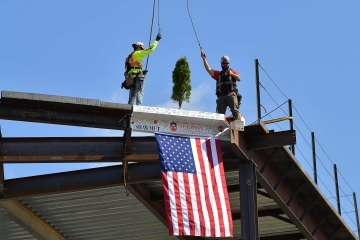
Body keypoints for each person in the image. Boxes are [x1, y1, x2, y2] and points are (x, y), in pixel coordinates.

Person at [201, 51, 242, 120]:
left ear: (228, 64)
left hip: (231, 94)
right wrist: (204, 59)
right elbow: (209, 69)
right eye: (223, 64)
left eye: (226, 63)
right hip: (221, 96)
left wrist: (231, 74)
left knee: (235, 111)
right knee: (219, 114)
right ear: (221, 64)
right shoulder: (218, 74)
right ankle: (220, 127)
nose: (225, 65)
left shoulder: (233, 72)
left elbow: (239, 79)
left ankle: (240, 125)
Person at [125, 33, 162, 105]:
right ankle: (139, 108)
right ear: (139, 47)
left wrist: (141, 70)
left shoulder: (130, 54)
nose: (142, 50)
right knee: (139, 92)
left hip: (130, 77)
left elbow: (132, 66)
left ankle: (129, 110)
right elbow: (149, 50)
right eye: (141, 48)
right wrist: (156, 40)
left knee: (132, 96)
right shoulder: (138, 53)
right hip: (137, 76)